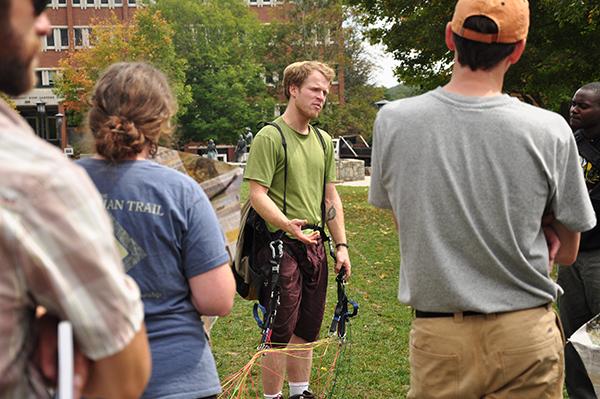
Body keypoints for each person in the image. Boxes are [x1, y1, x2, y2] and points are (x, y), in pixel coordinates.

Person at [368, 0, 596, 397]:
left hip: (439, 333)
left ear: (448, 37)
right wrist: (539, 227)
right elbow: (568, 251)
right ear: (519, 48)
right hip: (525, 332)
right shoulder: (549, 129)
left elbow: (409, 224)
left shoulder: (394, 121)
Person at [0, 1, 151, 397]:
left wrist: (36, 306)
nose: (46, 26)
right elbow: (124, 373)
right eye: (33, 8)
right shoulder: (37, 181)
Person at [76, 62, 236, 399]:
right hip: (177, 378)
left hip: (80, 376)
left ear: (95, 114)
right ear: (161, 122)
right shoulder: (182, 192)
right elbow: (217, 299)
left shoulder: (55, 184)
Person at [244, 60, 351, 399]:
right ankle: (272, 397)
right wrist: (285, 224)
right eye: (315, 90)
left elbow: (329, 195)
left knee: (307, 328)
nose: (321, 98)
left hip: (315, 246)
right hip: (279, 247)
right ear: (293, 89)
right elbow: (257, 194)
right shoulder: (270, 136)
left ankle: (299, 393)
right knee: (279, 330)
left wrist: (342, 246)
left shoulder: (322, 140)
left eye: (325, 92)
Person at [558, 82, 600, 398]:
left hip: (598, 257)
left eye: (582, 106)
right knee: (573, 333)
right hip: (572, 255)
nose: (574, 110)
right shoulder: (571, 142)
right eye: (574, 104)